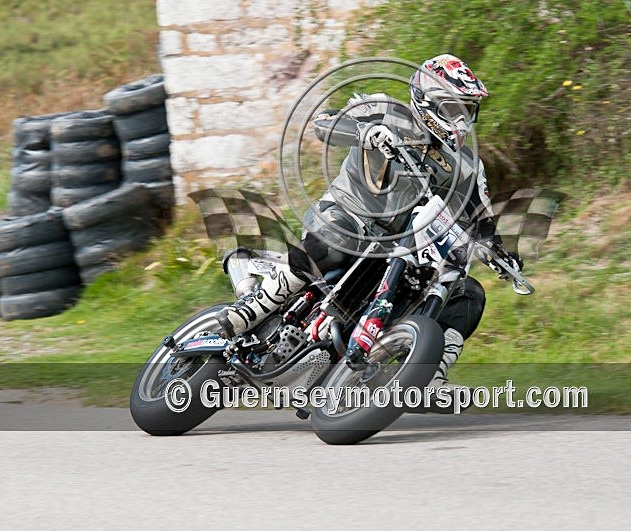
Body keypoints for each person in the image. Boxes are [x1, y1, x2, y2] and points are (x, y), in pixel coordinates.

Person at [215, 54, 522, 387]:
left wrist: (500, 252)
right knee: (338, 242)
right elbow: (325, 123)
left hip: (400, 248)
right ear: (426, 101)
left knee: (468, 293)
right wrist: (367, 132)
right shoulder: (386, 111)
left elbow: (479, 217)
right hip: (346, 215)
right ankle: (257, 305)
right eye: (453, 109)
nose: (461, 121)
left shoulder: (467, 165)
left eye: (467, 111)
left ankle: (428, 373)